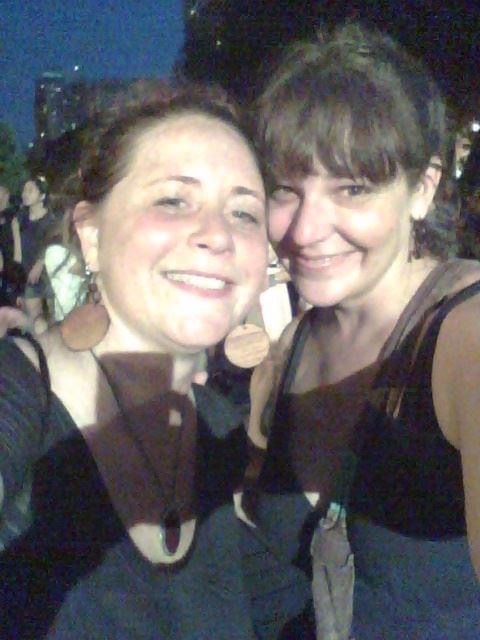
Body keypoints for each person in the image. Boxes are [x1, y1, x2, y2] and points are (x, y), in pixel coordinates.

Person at [0, 88, 270, 639]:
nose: (218, 235)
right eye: (173, 200)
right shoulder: (19, 392)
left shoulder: (219, 428)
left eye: (244, 213)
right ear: (90, 235)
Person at [242, 22, 480, 639]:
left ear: (422, 190)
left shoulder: (461, 338)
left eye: (352, 188)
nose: (305, 231)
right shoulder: (287, 349)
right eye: (285, 191)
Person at [17, 177, 56, 330]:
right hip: (29, 277)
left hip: (50, 274)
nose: (25, 194)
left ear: (42, 195)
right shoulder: (20, 219)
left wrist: (41, 262)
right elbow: (18, 254)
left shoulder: (51, 219)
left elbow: (55, 245)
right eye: (24, 190)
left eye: (30, 190)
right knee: (35, 322)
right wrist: (19, 285)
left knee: (54, 319)